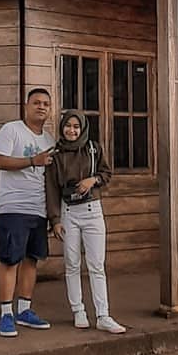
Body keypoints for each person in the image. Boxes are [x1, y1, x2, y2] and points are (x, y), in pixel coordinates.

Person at [46, 112, 125, 333]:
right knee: (72, 264)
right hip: (68, 212)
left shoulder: (93, 149)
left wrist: (93, 180)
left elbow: (106, 173)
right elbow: (51, 189)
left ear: (82, 129)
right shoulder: (56, 155)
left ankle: (103, 315)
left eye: (76, 127)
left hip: (92, 210)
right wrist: (55, 220)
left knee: (96, 265)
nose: (71, 130)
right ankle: (78, 310)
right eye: (68, 126)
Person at [0, 88, 56, 338]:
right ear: (26, 106)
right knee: (10, 259)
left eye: (46, 104)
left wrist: (53, 215)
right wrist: (32, 161)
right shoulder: (12, 130)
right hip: (13, 207)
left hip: (38, 209)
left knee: (31, 259)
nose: (41, 107)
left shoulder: (49, 140)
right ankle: (6, 314)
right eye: (36, 102)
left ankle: (24, 311)